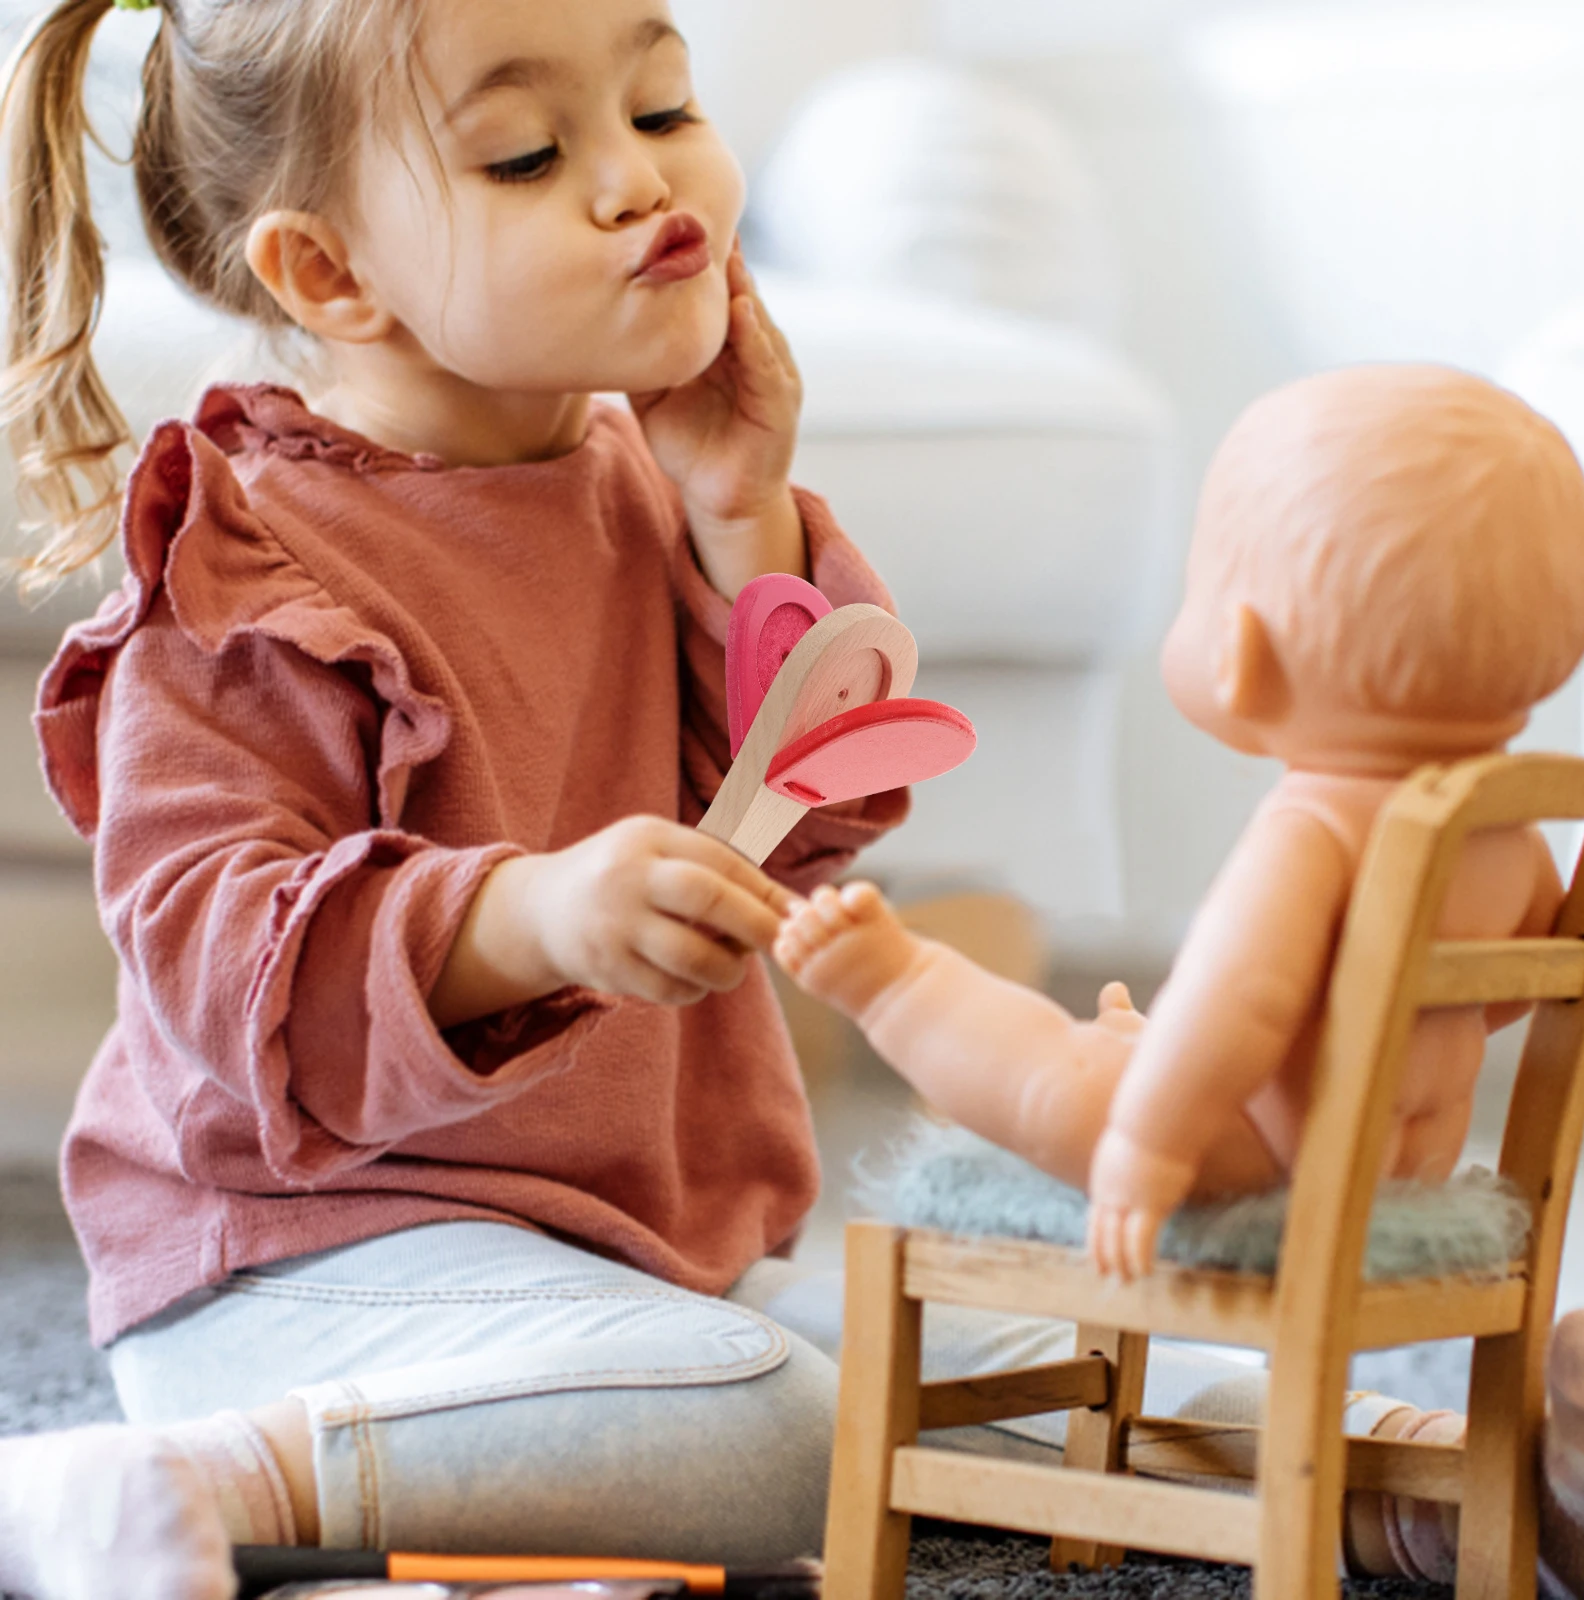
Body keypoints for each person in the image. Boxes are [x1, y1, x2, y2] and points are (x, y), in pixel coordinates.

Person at [0, 1, 1479, 1593]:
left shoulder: (650, 486)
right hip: (305, 1278)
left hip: (646, 1276)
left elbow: (821, 814)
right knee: (780, 1425)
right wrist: (531, 912)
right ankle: (158, 1485)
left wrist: (741, 512)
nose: (641, 183)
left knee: (1013, 1333)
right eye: (528, 153)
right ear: (330, 276)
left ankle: (1423, 1484)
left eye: (661, 105)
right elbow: (221, 967)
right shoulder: (244, 564)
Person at [774, 365, 1584, 1597]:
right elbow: (1501, 999)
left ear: (1245, 648)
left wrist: (1147, 1146)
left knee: (1063, 1081)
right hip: (1393, 1169)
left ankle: (892, 977)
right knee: (1129, 1048)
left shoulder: (1312, 831)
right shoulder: (1509, 824)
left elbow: (1235, 1004)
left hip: (1246, 1159)